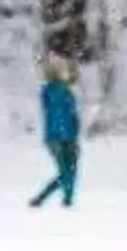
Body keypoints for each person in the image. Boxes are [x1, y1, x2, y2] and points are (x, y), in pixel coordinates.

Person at [30, 55, 81, 208]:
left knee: (70, 172)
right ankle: (46, 199)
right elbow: (64, 114)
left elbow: (72, 115)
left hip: (67, 137)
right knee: (67, 172)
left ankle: (67, 201)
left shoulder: (63, 92)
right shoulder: (53, 91)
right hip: (57, 138)